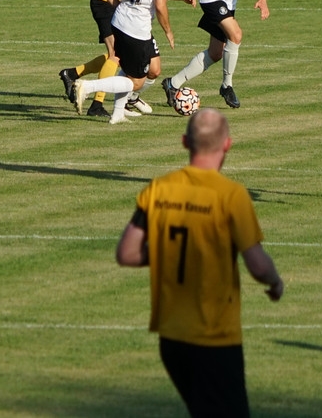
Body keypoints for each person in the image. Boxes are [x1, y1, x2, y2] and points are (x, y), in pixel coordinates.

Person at [116, 107, 284, 417]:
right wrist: (275, 281)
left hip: (171, 337)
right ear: (227, 145)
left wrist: (167, 251)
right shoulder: (231, 195)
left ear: (185, 142)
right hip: (214, 337)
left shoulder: (159, 189)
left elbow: (126, 252)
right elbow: (258, 265)